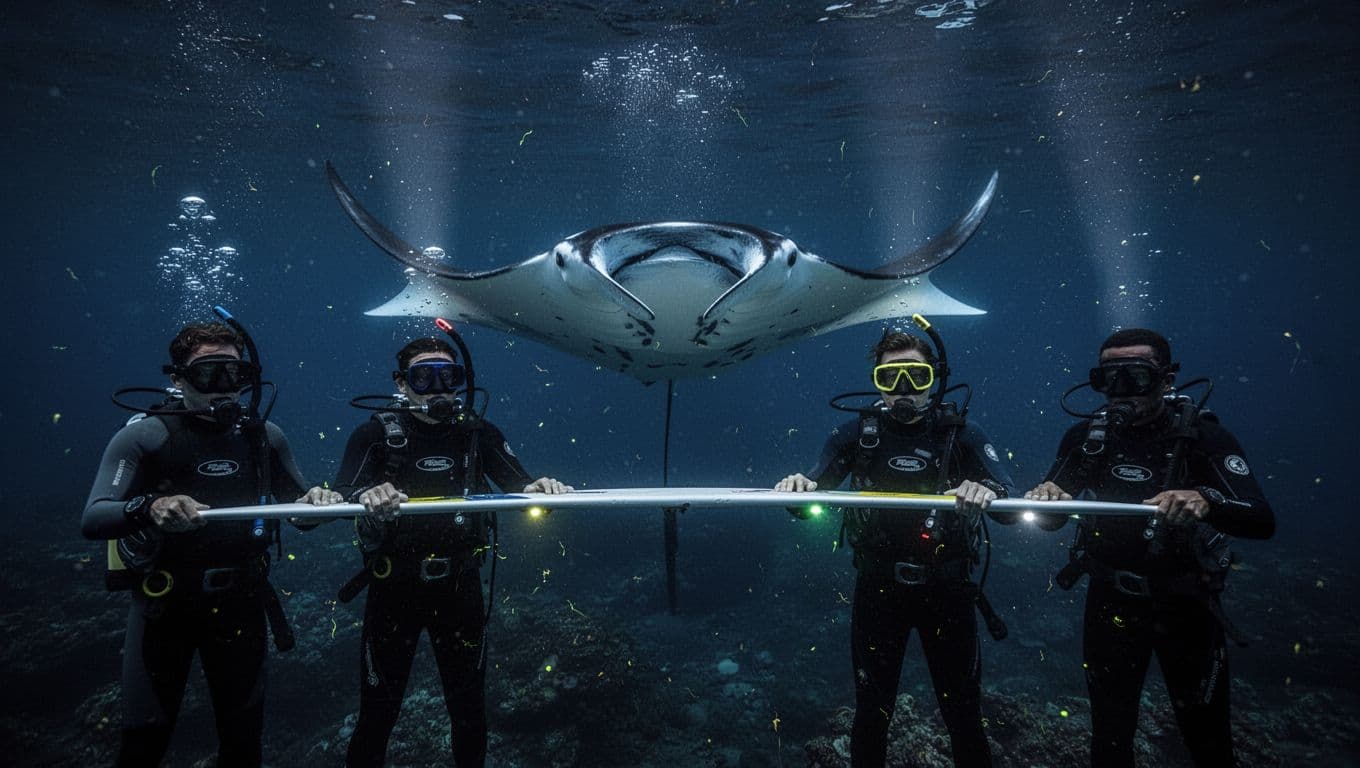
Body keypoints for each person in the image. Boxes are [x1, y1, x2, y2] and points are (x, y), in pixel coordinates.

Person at [82, 320, 342, 767]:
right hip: (164, 610)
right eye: (207, 374)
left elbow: (298, 511)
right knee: (143, 744)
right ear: (177, 378)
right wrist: (150, 506)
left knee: (243, 743)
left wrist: (317, 500)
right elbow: (94, 516)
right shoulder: (145, 436)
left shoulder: (264, 436)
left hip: (242, 605)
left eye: (235, 374)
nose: (224, 388)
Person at [1023, 328, 1274, 768]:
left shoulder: (1204, 438)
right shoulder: (1086, 438)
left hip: (1188, 607)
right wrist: (1046, 496)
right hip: (1110, 604)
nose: (1120, 392)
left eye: (1135, 377)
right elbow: (1050, 518)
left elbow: (1260, 517)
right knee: (1109, 734)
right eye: (1108, 379)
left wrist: (1207, 499)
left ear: (1167, 379)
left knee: (1207, 737)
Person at [775, 324, 1018, 768]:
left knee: (963, 712)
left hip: (948, 592)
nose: (903, 390)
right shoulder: (855, 434)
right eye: (890, 379)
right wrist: (799, 486)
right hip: (878, 591)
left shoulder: (961, 433)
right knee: (872, 710)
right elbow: (810, 491)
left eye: (916, 377)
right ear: (877, 384)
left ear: (935, 380)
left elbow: (1008, 502)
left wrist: (987, 489)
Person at [335, 335, 571, 768]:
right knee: (377, 714)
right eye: (423, 378)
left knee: (469, 713)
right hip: (393, 592)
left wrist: (541, 488)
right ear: (401, 384)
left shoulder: (477, 432)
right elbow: (340, 492)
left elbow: (521, 485)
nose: (437, 388)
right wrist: (367, 492)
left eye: (449, 377)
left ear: (461, 383)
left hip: (460, 591)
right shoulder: (374, 434)